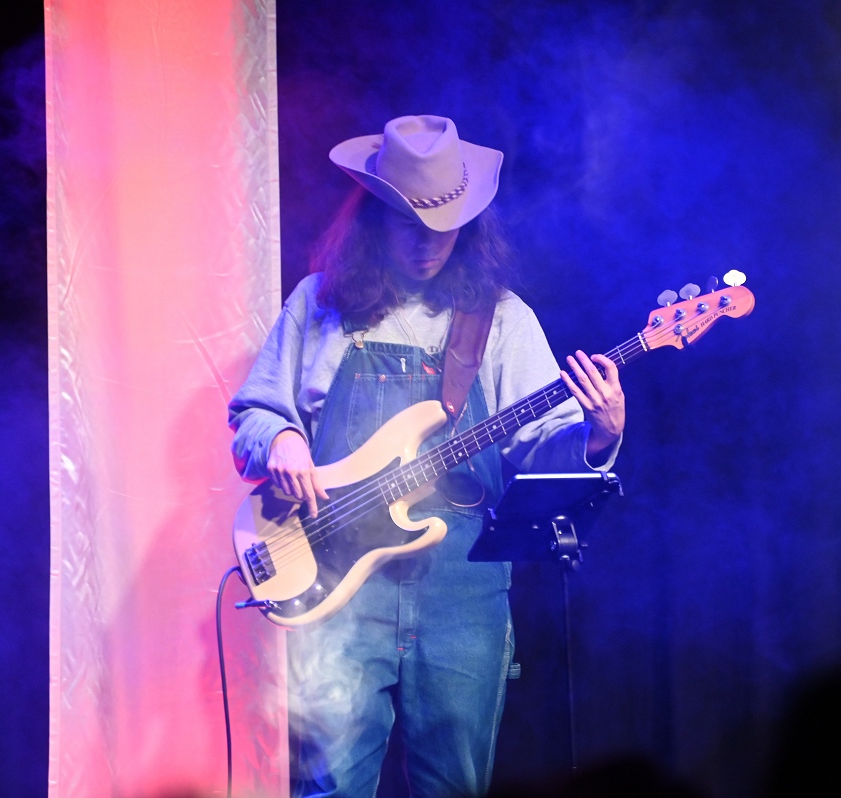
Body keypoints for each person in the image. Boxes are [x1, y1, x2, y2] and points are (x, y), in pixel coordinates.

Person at [228, 114, 625, 798]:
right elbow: (254, 415)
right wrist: (281, 439)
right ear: (373, 218)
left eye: (444, 226)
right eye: (408, 223)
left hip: (461, 593)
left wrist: (600, 433)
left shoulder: (502, 317)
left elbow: (541, 451)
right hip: (337, 591)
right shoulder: (318, 304)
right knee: (330, 788)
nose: (427, 243)